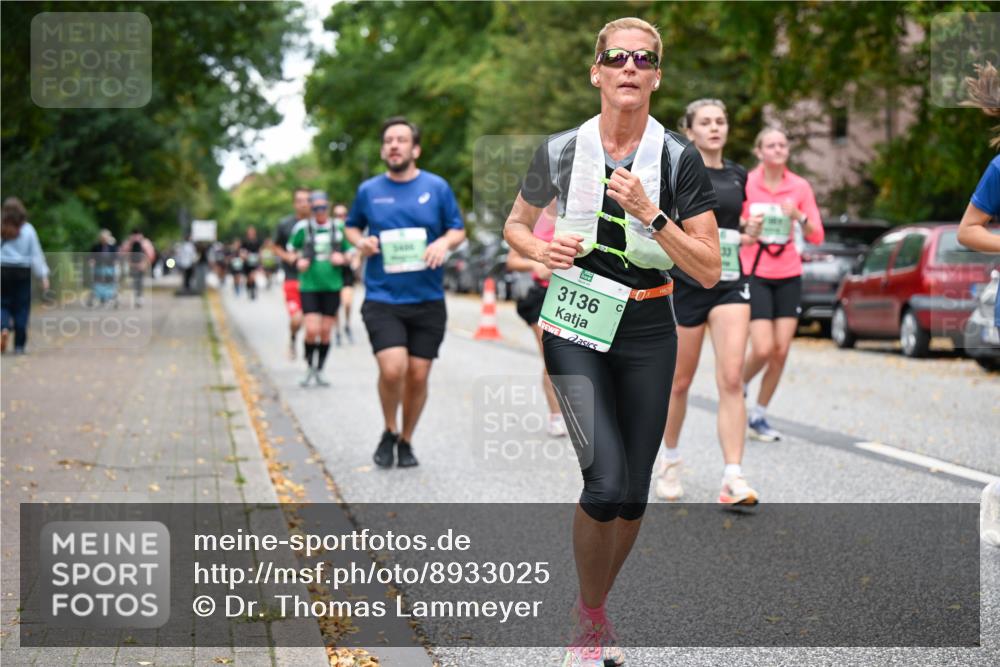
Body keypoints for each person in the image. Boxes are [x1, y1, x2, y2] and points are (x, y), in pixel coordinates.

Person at [503, 18, 720, 666]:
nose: (630, 66)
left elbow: (708, 268)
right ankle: (591, 623)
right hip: (573, 319)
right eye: (617, 57)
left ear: (656, 76)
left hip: (651, 324)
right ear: (596, 70)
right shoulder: (561, 150)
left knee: (633, 492)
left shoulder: (677, 158)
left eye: (644, 59)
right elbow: (515, 226)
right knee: (603, 482)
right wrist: (542, 247)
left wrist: (652, 213)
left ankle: (591, 606)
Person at [345, 116, 466, 469]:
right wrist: (362, 242)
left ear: (415, 149)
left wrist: (444, 243)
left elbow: (457, 229)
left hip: (427, 299)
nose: (393, 146)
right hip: (383, 298)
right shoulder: (369, 190)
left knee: (418, 374)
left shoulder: (437, 187)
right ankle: (388, 428)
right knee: (394, 368)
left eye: (400, 140)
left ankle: (406, 439)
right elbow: (351, 226)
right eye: (388, 141)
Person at [655, 99, 758, 506]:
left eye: (721, 120)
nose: (715, 128)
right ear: (690, 130)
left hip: (730, 282)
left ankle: (733, 476)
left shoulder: (738, 174)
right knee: (679, 382)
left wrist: (745, 233)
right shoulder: (678, 171)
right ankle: (671, 460)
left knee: (732, 379)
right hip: (685, 282)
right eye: (706, 122)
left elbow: (730, 224)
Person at [739, 127, 823, 442]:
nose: (778, 149)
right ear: (759, 152)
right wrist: (749, 227)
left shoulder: (799, 186)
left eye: (782, 144)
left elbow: (817, 235)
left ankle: (759, 414)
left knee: (781, 350)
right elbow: (733, 225)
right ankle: (741, 385)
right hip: (756, 270)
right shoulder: (747, 183)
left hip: (788, 272)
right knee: (762, 347)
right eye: (770, 145)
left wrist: (799, 216)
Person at [505, 199, 567, 437]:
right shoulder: (531, 215)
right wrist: (536, 263)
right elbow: (512, 260)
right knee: (552, 354)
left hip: (571, 294)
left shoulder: (579, 211)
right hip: (540, 295)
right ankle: (556, 415)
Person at [287, 191, 351, 387]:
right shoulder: (303, 228)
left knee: (325, 332)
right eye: (315, 208)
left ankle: (320, 369)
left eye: (323, 208)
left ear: (328, 207)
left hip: (332, 285)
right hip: (309, 286)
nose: (319, 212)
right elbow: (291, 249)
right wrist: (298, 261)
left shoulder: (339, 227)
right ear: (311, 208)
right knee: (311, 330)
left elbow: (352, 251)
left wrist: (344, 258)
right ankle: (309, 367)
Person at [1, 197, 50, 355]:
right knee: (22, 307)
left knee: (2, 303)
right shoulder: (28, 229)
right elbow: (36, 254)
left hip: (2, 270)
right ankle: (19, 346)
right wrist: (43, 275)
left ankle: (3, 327)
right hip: (22, 272)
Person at [273, 187, 312, 359]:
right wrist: (288, 257)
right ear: (294, 203)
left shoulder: (318, 223)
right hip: (292, 277)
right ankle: (293, 338)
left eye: (307, 200)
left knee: (313, 324)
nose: (304, 204)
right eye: (300, 200)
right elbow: (275, 246)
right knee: (297, 319)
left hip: (314, 279)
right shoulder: (285, 224)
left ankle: (311, 358)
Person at [332, 203, 359, 346]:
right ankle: (337, 331)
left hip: (347, 272)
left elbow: (357, 249)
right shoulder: (330, 231)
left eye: (343, 215)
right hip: (334, 272)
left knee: (347, 302)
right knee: (336, 305)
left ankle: (347, 324)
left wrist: (355, 260)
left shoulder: (350, 232)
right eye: (337, 215)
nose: (340, 218)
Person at [120, 228, 155, 307]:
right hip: (136, 265)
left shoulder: (130, 243)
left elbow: (123, 254)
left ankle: (138, 297)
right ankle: (138, 297)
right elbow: (150, 255)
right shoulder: (144, 243)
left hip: (138, 265)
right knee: (137, 282)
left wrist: (143, 264)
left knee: (138, 281)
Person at [88, 228, 120, 307]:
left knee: (110, 283)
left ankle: (110, 297)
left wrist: (116, 262)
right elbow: (91, 256)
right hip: (98, 268)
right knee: (97, 283)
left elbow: (116, 257)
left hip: (110, 268)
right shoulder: (96, 247)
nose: (104, 239)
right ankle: (99, 297)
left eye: (105, 238)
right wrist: (91, 261)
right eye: (102, 238)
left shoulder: (112, 247)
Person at [241, 226, 263, 300]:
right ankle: (249, 288)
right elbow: (242, 251)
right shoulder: (244, 242)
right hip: (247, 262)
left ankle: (253, 290)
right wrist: (244, 256)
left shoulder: (257, 242)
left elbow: (260, 251)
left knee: (252, 276)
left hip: (254, 262)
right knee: (248, 278)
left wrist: (260, 258)